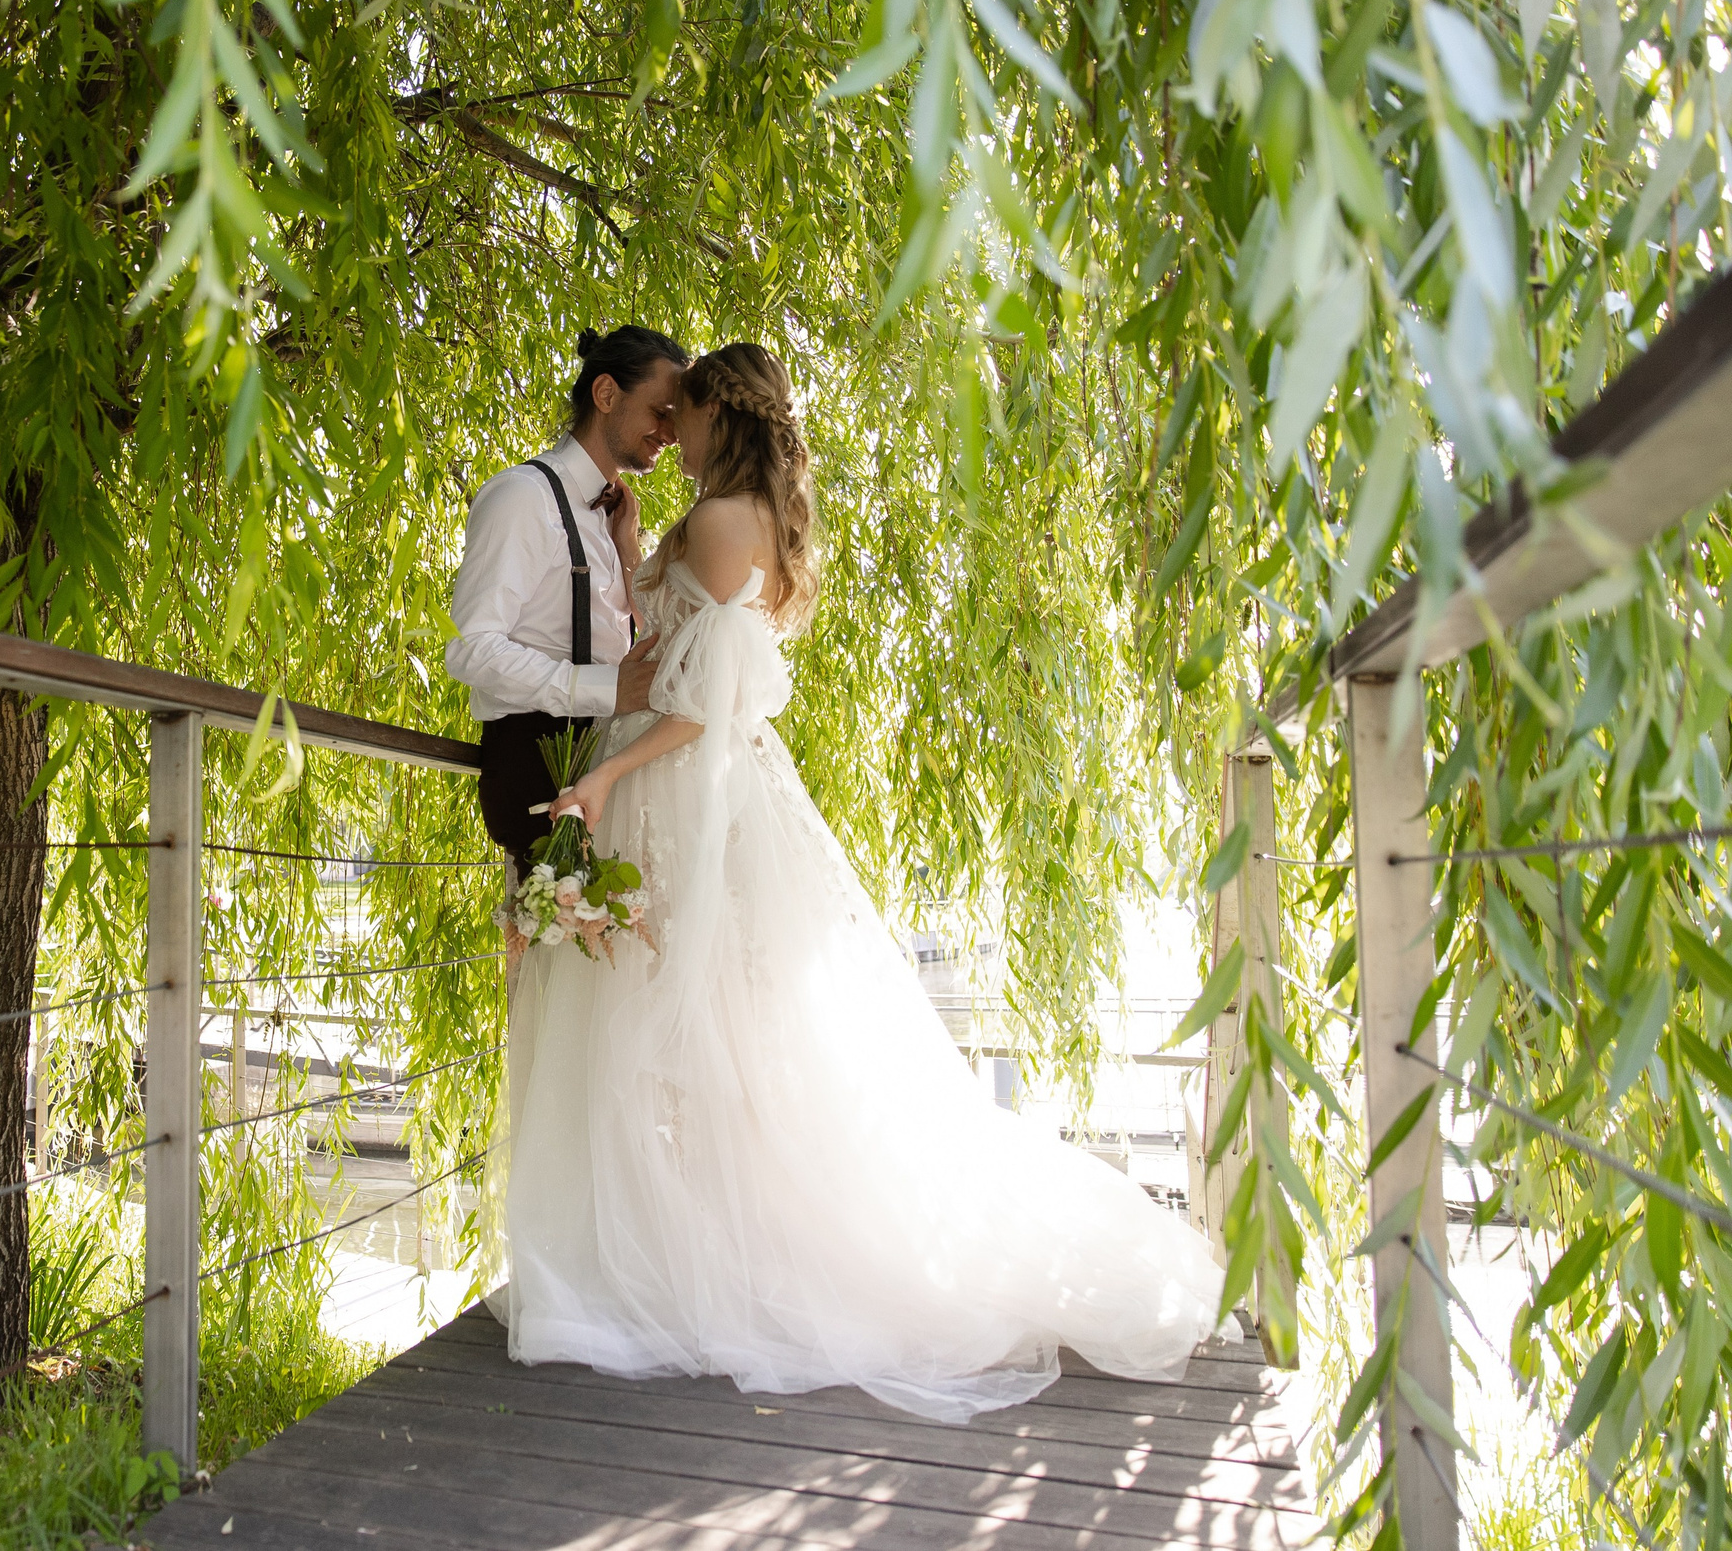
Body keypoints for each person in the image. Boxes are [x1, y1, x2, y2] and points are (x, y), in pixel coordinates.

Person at [495, 341, 1228, 1422]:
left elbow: (699, 696)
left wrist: (606, 774)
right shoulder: (755, 519)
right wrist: (634, 546)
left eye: (681, 415)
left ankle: (691, 1263)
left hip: (680, 781)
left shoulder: (715, 518)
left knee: (684, 1020)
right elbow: (701, 636)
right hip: (729, 791)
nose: (672, 435)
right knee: (734, 1030)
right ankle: (716, 1246)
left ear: (712, 412)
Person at [448, 325, 687, 868]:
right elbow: (469, 648)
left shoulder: (610, 514)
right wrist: (608, 688)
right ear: (606, 395)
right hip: (539, 768)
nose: (671, 432)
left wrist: (628, 544)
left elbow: (625, 623)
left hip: (602, 773)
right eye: (660, 411)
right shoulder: (523, 497)